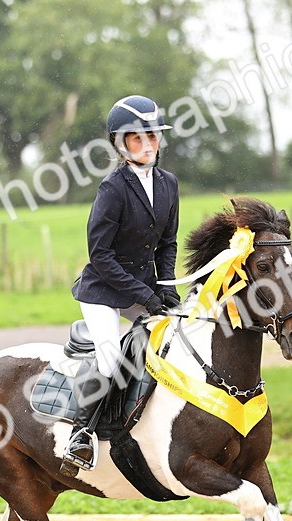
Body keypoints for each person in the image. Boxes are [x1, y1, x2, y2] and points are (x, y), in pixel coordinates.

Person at [63, 95, 181, 472]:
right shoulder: (112, 189)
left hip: (142, 286)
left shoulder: (168, 184)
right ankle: (80, 434)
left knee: (175, 336)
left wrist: (167, 288)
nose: (148, 145)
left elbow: (167, 243)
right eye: (137, 139)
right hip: (103, 290)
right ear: (120, 143)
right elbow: (101, 255)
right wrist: (145, 295)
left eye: (153, 137)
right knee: (112, 357)